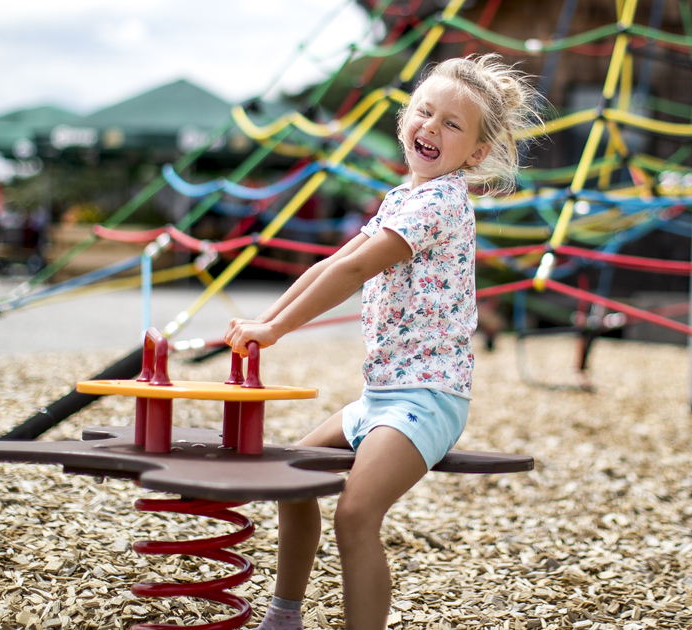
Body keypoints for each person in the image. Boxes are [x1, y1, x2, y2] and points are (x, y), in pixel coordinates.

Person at [225, 54, 543, 630]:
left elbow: (353, 272)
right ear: (405, 119)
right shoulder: (403, 198)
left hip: (428, 397)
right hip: (380, 397)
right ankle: (284, 617)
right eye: (425, 111)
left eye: (452, 124)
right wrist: (262, 324)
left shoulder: (440, 203)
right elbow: (331, 263)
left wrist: (275, 330)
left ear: (476, 153)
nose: (431, 127)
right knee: (292, 479)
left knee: (355, 514)